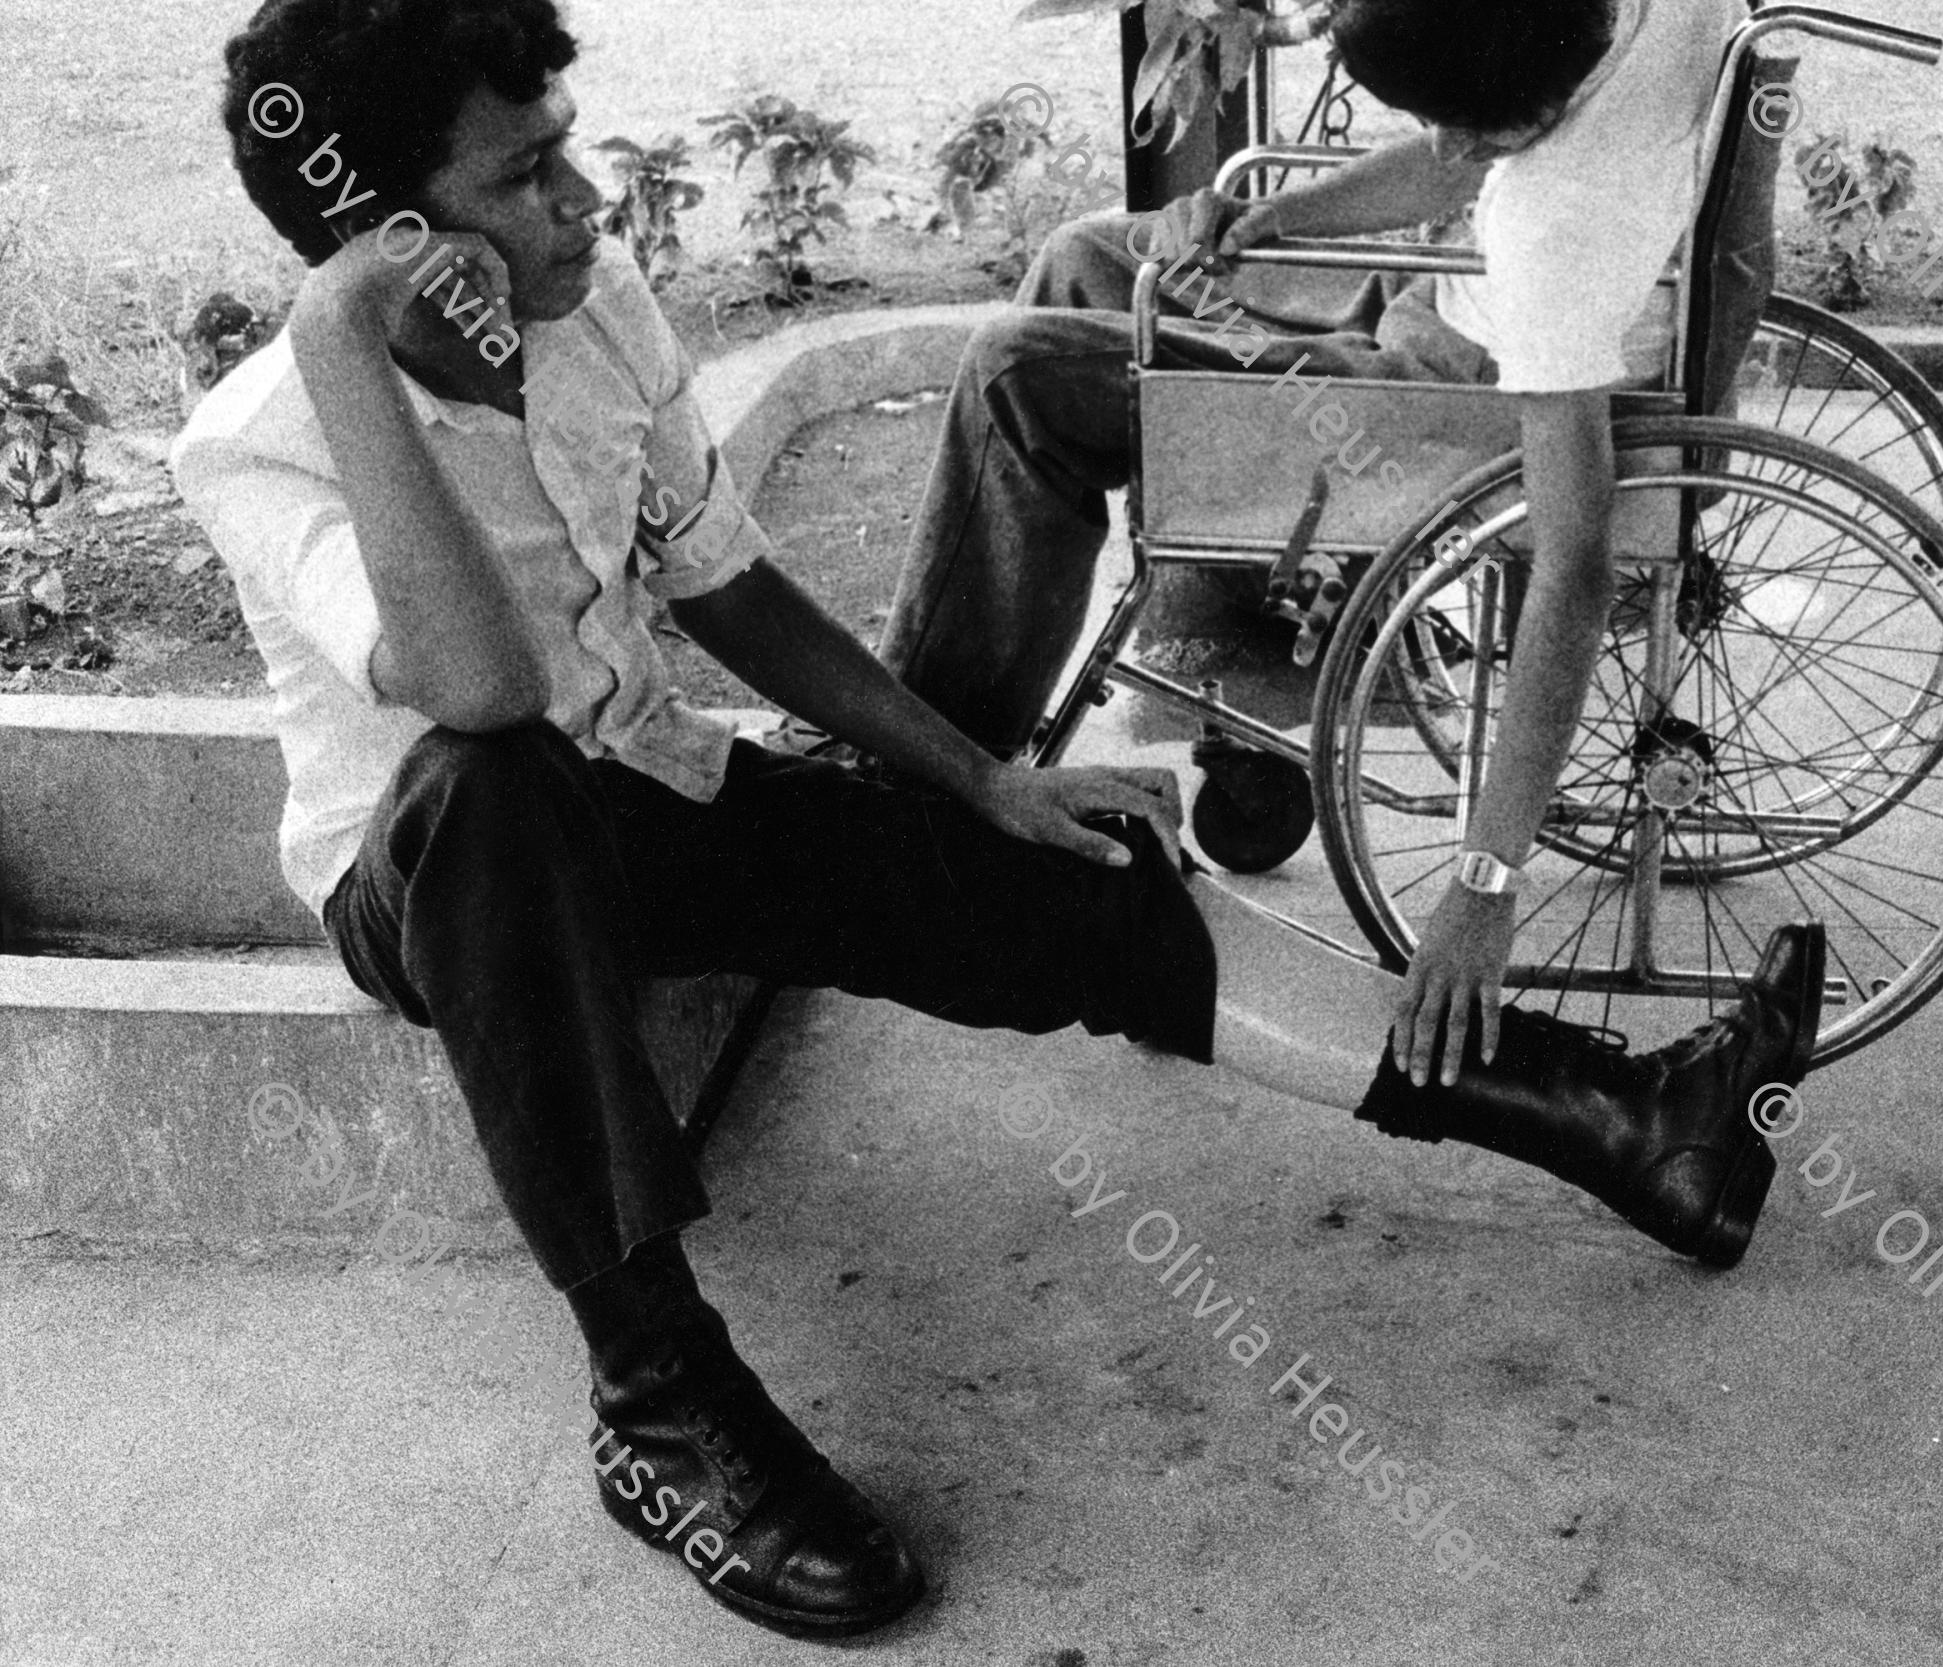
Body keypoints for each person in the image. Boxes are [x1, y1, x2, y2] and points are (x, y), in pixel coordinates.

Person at [173, 0, 1822, 1641]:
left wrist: (979, 780)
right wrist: (340, 339)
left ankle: (1625, 1121)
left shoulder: (592, 308)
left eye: (569, 153)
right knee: (498, 781)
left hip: (647, 792)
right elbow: (476, 692)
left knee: (1076, 865)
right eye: (528, 177)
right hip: (435, 878)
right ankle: (658, 1398)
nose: (588, 203)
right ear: (385, 240)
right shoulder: (264, 443)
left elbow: (728, 587)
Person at [880, 0, 1791, 1091]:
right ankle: (1118, 696)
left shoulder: (1558, 226)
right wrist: (1270, 218)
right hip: (1443, 294)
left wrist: (1486, 881)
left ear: (1515, 106)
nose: (1441, 142)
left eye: (1453, 121)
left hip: (1444, 400)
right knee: (1087, 256)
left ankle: (921, 773)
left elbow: (1574, 568)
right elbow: (1464, 159)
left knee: (1014, 371)